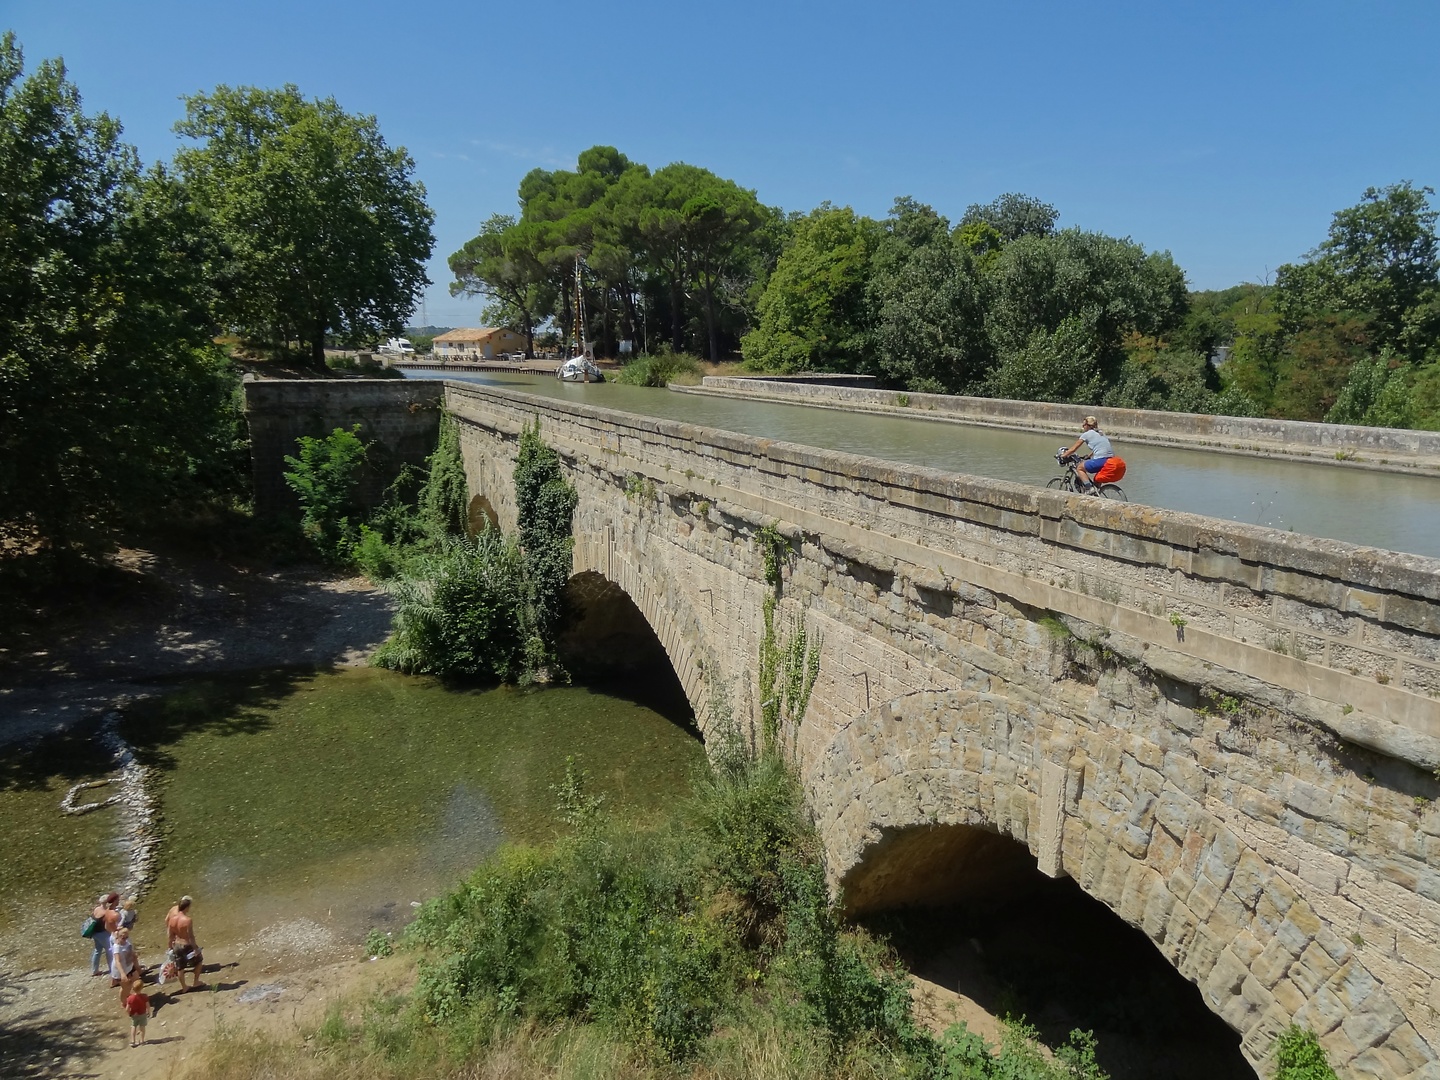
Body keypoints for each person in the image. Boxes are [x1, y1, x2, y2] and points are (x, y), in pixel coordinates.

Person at [1062, 416, 1125, 493]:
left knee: (1080, 468)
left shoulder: (1087, 434)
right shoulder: (1101, 432)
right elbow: (1100, 445)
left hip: (1101, 460)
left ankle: (1089, 488)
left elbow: (1073, 449)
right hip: (1110, 460)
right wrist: (1089, 456)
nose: (1083, 426)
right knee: (1097, 479)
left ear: (1089, 425)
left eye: (1084, 424)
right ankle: (1097, 492)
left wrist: (1063, 455)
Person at [165, 895, 203, 991]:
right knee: (199, 961)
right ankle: (196, 982)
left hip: (177, 945)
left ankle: (184, 987)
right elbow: (190, 936)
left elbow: (170, 935)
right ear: (187, 907)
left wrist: (170, 947)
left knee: (180, 967)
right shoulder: (187, 920)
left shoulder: (172, 919)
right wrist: (195, 949)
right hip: (186, 944)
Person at [89, 892, 120, 977]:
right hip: (102, 933)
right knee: (109, 950)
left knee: (97, 951)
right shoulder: (105, 912)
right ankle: (112, 969)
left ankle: (94, 970)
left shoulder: (97, 909)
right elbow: (108, 924)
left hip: (95, 933)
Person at [109, 926, 141, 1000]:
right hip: (120, 970)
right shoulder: (117, 947)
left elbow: (130, 950)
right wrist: (122, 974)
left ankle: (134, 996)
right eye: (123, 938)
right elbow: (117, 961)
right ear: (118, 936)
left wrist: (134, 955)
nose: (125, 939)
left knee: (136, 980)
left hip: (129, 966)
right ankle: (124, 1002)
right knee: (126, 987)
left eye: (127, 937)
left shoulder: (127, 942)